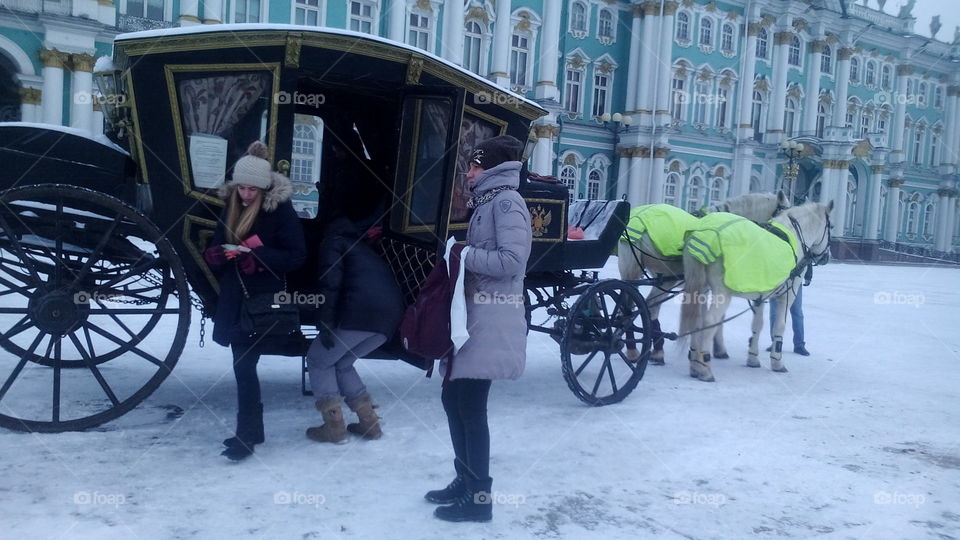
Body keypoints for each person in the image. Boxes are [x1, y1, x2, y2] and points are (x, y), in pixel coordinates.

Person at [425, 135, 532, 523]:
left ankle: (479, 499)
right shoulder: (488, 202)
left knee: (469, 405)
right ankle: (465, 481)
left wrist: (463, 253)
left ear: (492, 168)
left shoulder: (506, 202)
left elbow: (512, 260)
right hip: (473, 314)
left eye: (474, 165)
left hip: (492, 315)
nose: (468, 172)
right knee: (454, 400)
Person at [203, 141, 306, 462]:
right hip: (237, 300)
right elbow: (218, 243)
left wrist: (257, 255)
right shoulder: (231, 206)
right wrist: (219, 253)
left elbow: (297, 256)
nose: (246, 194)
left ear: (263, 188)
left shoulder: (281, 211)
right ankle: (252, 431)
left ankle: (246, 436)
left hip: (261, 301)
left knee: (244, 366)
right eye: (241, 188)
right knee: (243, 366)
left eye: (252, 189)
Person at [304, 212, 404, 443]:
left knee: (319, 360)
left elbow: (331, 283)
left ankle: (334, 428)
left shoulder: (334, 242)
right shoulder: (363, 248)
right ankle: (370, 424)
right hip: (388, 321)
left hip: (360, 315)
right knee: (342, 363)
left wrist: (326, 323)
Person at [768, 265, 812, 356]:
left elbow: (807, 255)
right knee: (775, 313)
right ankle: (775, 342)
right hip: (776, 280)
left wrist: (808, 275)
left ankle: (799, 345)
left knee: (797, 312)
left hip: (795, 279)